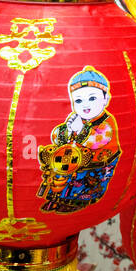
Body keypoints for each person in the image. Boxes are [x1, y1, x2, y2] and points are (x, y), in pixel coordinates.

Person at [38, 66, 121, 212]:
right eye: (79, 101)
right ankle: (57, 200)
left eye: (92, 98)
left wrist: (80, 131)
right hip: (73, 160)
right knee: (59, 176)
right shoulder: (75, 118)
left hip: (97, 164)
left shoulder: (107, 122)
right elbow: (57, 137)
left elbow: (97, 141)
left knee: (83, 184)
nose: (86, 105)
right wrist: (68, 130)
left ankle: (75, 203)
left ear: (105, 99)